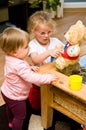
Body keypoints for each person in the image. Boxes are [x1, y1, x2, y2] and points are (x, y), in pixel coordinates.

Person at [0, 27, 58, 130]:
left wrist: (29, 67)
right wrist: (48, 78)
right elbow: (32, 78)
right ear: (14, 52)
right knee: (20, 116)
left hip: (6, 92)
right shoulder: (19, 65)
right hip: (16, 97)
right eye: (26, 47)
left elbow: (17, 70)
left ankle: (10, 123)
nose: (29, 49)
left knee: (9, 109)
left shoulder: (11, 58)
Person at [27, 10, 64, 112]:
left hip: (55, 76)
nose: (46, 36)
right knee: (36, 106)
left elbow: (64, 51)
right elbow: (35, 59)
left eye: (49, 32)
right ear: (34, 31)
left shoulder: (55, 41)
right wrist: (48, 52)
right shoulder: (32, 44)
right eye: (42, 33)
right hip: (39, 81)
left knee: (57, 100)